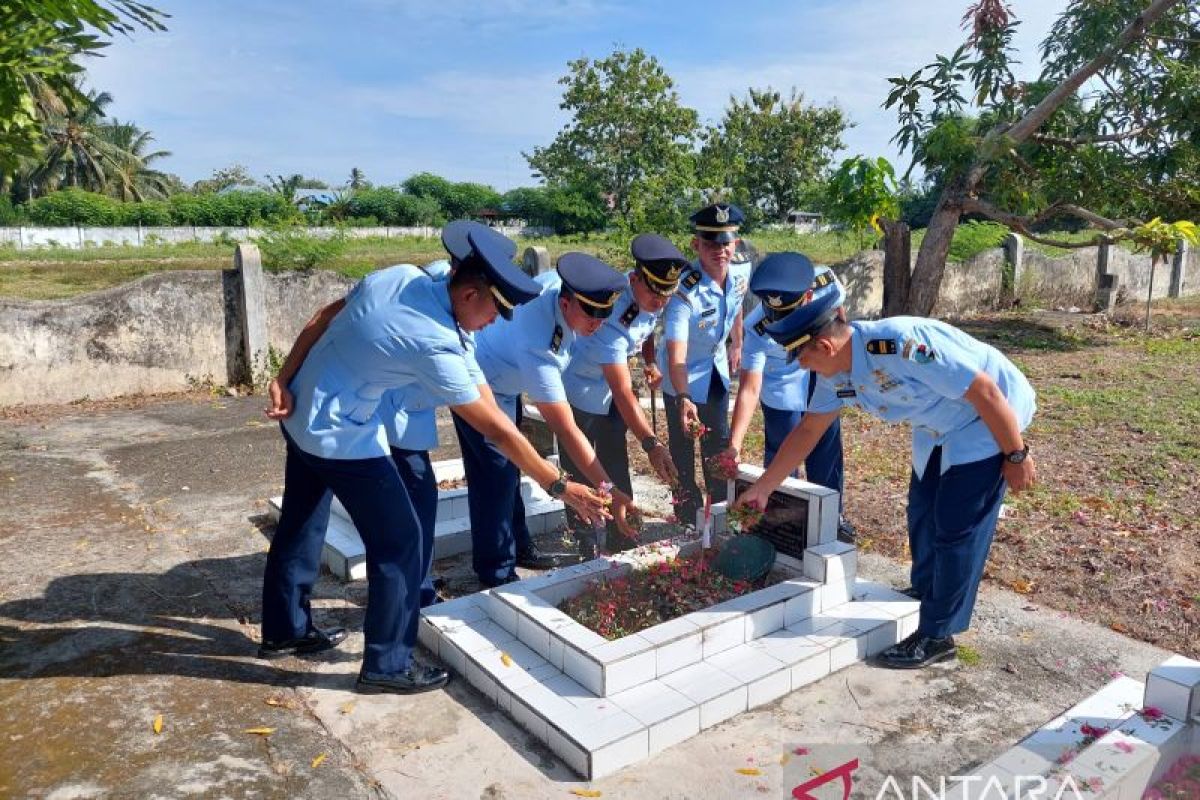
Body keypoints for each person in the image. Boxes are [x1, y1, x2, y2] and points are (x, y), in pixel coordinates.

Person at [261, 226, 610, 695]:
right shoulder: (434, 342)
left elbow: (321, 319)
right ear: (468, 293)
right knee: (402, 541)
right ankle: (388, 663)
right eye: (494, 312)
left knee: (301, 522)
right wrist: (559, 485)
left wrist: (284, 377)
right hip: (340, 434)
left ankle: (284, 629)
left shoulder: (400, 276)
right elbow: (497, 429)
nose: (495, 324)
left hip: (302, 407)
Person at [734, 271, 1036, 669]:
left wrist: (1015, 455)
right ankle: (928, 590)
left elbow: (986, 391)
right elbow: (809, 430)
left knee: (957, 527)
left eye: (801, 357)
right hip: (938, 426)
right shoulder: (834, 374)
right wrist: (764, 488)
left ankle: (938, 633)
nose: (801, 367)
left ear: (824, 345)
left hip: (988, 420)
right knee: (923, 512)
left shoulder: (899, 344)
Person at [454, 251, 640, 587]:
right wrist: (609, 491)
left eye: (603, 316)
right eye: (590, 316)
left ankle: (520, 547)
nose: (597, 325)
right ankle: (496, 573)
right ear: (566, 304)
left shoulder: (560, 289)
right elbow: (565, 429)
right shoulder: (540, 343)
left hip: (507, 383)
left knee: (509, 473)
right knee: (494, 475)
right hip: (480, 384)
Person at [560, 234, 688, 555]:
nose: (660, 301)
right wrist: (652, 444)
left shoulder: (651, 299)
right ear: (634, 280)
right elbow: (623, 393)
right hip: (581, 388)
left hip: (609, 385)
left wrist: (649, 361)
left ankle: (622, 529)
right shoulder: (613, 318)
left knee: (615, 456)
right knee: (578, 462)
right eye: (654, 292)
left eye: (667, 294)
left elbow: (646, 328)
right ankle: (584, 537)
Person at [723, 254, 850, 539]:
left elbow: (842, 324)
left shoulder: (825, 282)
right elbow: (750, 388)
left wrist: (843, 376)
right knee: (783, 462)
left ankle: (831, 522)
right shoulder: (758, 327)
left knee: (826, 457)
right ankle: (784, 530)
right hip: (783, 394)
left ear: (807, 296)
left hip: (823, 377)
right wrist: (734, 445)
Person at [657, 202, 753, 526]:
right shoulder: (683, 292)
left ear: (735, 244)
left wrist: (737, 342)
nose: (720, 251)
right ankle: (686, 514)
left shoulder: (741, 272)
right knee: (683, 450)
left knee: (717, 442)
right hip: (680, 376)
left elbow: (736, 304)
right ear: (696, 245)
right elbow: (676, 355)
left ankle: (718, 514)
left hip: (715, 370)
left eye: (725, 243)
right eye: (711, 243)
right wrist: (683, 397)